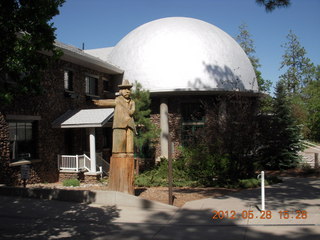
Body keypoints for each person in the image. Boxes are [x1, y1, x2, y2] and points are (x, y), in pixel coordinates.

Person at [93, 80, 136, 154]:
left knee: (130, 142)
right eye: (125, 89)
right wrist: (98, 102)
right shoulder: (118, 100)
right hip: (120, 124)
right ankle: (119, 153)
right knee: (120, 141)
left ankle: (129, 153)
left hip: (129, 124)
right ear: (120, 91)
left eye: (128, 89)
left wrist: (131, 111)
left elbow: (133, 110)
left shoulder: (132, 101)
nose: (127, 91)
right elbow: (109, 102)